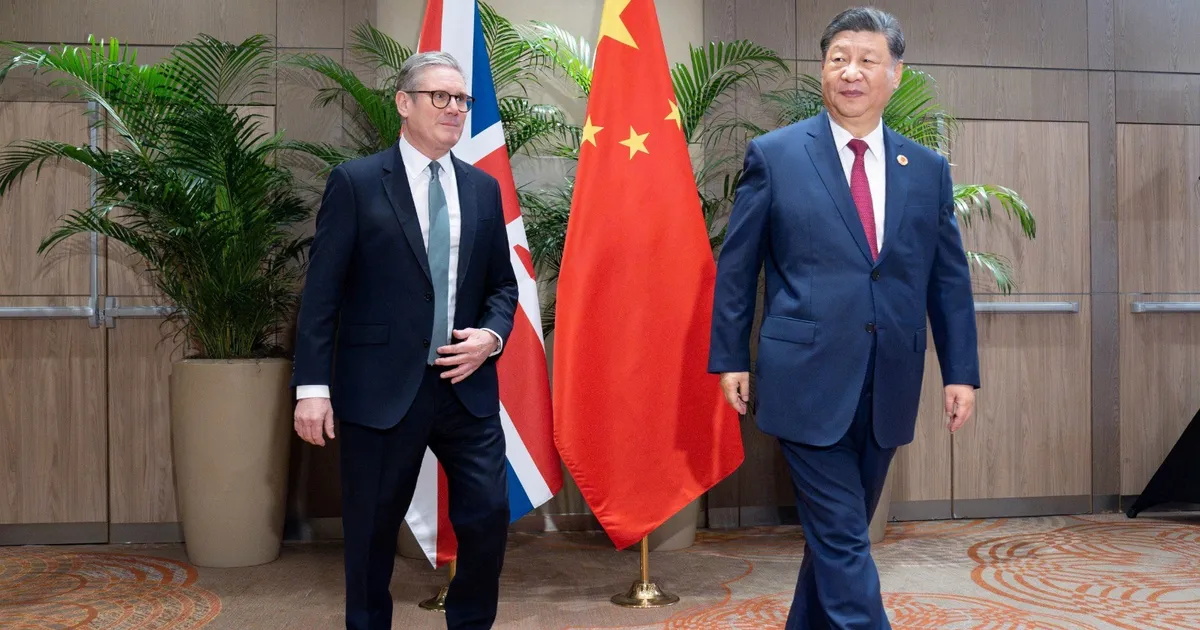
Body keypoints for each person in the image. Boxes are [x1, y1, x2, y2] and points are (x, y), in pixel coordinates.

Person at [708, 7, 980, 629]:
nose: (851, 72)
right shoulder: (776, 155)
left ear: (895, 74)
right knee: (843, 539)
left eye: (866, 60)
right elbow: (738, 266)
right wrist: (730, 357)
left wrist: (960, 371)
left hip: (889, 381)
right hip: (804, 379)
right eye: (838, 59)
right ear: (823, 69)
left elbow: (947, 279)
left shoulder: (927, 169)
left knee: (838, 535)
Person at [290, 51, 518, 630]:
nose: (454, 108)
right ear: (403, 103)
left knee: (489, 517)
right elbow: (321, 295)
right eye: (440, 96)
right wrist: (311, 388)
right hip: (381, 389)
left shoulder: (483, 188)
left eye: (461, 99)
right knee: (370, 534)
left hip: (465, 386)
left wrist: (491, 336)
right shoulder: (356, 182)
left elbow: (502, 285)